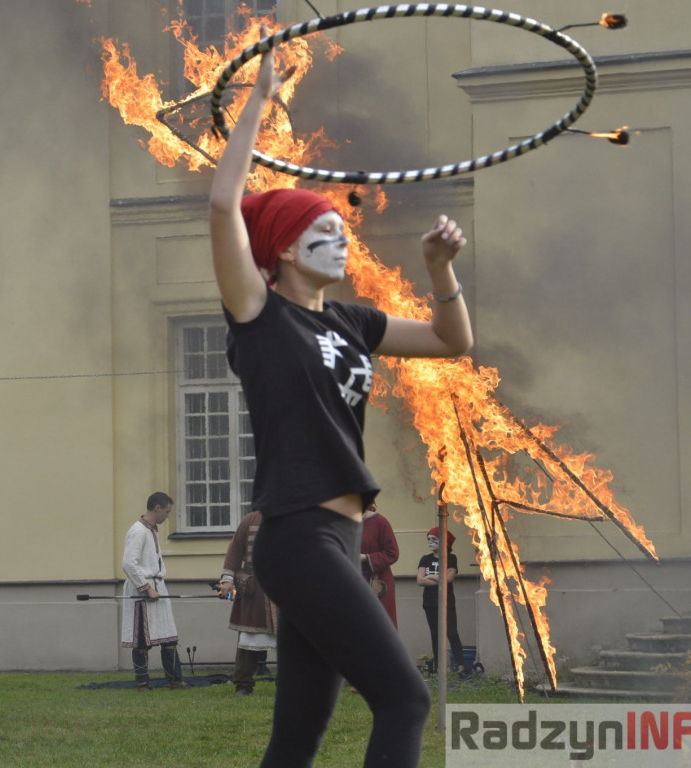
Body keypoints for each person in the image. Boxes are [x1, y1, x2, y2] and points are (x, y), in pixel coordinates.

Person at [208, 35, 474, 768]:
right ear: (285, 250)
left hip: (340, 540)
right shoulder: (260, 314)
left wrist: (438, 269)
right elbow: (224, 202)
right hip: (296, 535)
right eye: (322, 232)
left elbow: (452, 341)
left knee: (298, 733)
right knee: (405, 699)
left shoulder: (351, 321)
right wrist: (260, 97)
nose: (341, 241)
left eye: (341, 231)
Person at [120, 491, 191, 691]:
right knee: (142, 640)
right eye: (167, 511)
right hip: (142, 592)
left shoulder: (152, 530)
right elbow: (128, 564)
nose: (168, 515)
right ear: (157, 508)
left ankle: (175, 680)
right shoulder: (138, 531)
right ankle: (143, 683)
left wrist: (155, 587)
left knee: (169, 636)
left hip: (158, 586)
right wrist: (147, 588)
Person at [219, 510, 277, 697]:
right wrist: (227, 581)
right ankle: (243, 684)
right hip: (255, 588)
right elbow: (234, 551)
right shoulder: (250, 520)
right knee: (248, 640)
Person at [416, 527, 471, 678]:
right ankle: (439, 668)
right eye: (428, 540)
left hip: (447, 601)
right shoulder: (425, 559)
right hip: (430, 602)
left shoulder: (451, 558)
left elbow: (449, 579)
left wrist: (432, 576)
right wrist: (440, 577)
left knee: (452, 633)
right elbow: (420, 580)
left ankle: (461, 668)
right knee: (435, 635)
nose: (430, 543)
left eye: (434, 539)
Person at [359, 503, 400, 628]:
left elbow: (392, 553)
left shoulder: (379, 522)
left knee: (380, 626)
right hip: (351, 581)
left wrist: (366, 558)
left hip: (377, 582)